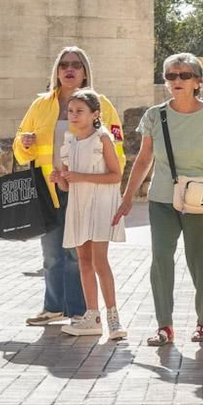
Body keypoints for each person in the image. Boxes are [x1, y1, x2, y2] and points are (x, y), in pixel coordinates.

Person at [118, 52, 203, 347]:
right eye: (171, 75)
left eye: (184, 75)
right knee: (161, 259)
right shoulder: (154, 116)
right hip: (163, 199)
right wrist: (127, 196)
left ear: (198, 81)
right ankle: (164, 326)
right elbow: (144, 158)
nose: (177, 80)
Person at [14, 47, 123, 327]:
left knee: (78, 256)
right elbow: (19, 144)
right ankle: (53, 307)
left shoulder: (103, 104)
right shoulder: (40, 105)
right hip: (49, 187)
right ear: (57, 71)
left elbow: (116, 146)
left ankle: (79, 310)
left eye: (76, 64)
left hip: (87, 189)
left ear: (85, 71)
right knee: (51, 253)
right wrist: (23, 143)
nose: (69, 69)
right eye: (64, 65)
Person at [59, 90, 127, 340]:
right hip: (78, 206)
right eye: (70, 111)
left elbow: (115, 175)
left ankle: (113, 317)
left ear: (95, 114)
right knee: (83, 262)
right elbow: (67, 185)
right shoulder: (68, 143)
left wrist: (80, 177)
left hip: (100, 205)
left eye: (80, 111)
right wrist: (60, 179)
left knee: (100, 261)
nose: (74, 116)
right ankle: (92, 316)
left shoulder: (103, 139)